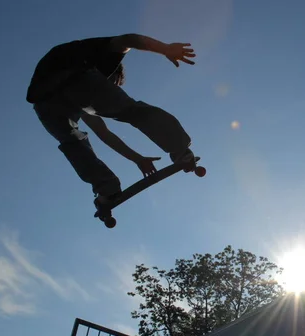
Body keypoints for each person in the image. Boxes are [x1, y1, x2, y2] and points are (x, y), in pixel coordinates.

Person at [26, 34, 197, 209]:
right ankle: (179, 148)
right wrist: (165, 48)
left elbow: (104, 134)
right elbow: (129, 40)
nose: (112, 88)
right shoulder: (104, 56)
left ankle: (107, 188)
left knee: (73, 142)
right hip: (72, 77)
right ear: (114, 72)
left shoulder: (81, 100)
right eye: (114, 84)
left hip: (44, 101)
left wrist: (138, 159)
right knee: (129, 110)